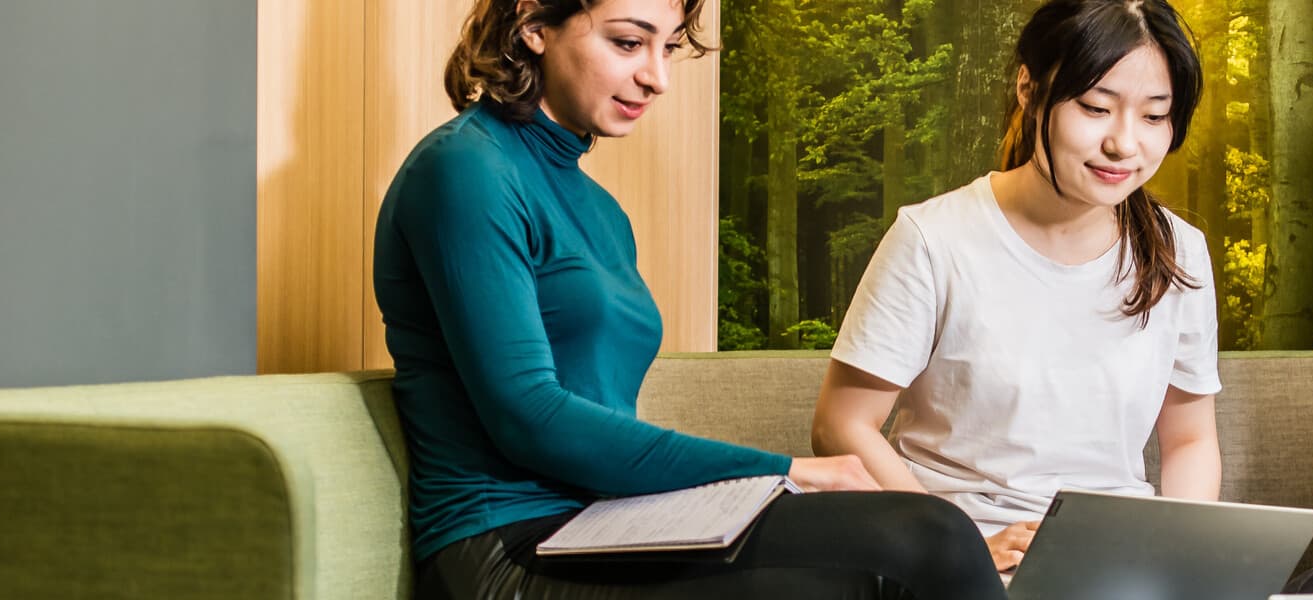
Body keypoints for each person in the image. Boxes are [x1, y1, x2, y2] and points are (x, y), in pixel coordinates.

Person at [372, 1, 1004, 598]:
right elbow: (529, 417)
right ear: (534, 24)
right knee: (932, 539)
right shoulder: (464, 169)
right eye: (627, 42)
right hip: (505, 552)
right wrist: (788, 469)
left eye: (668, 48)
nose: (656, 77)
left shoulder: (602, 212)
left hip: (604, 527)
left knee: (920, 534)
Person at [811, 0, 1222, 575]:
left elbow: (1190, 443)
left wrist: (1183, 562)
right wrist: (954, 549)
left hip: (1117, 560)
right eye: (1095, 107)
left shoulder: (1178, 252)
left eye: (1155, 116)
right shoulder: (934, 239)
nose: (1125, 144)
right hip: (956, 557)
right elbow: (840, 425)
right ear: (1029, 89)